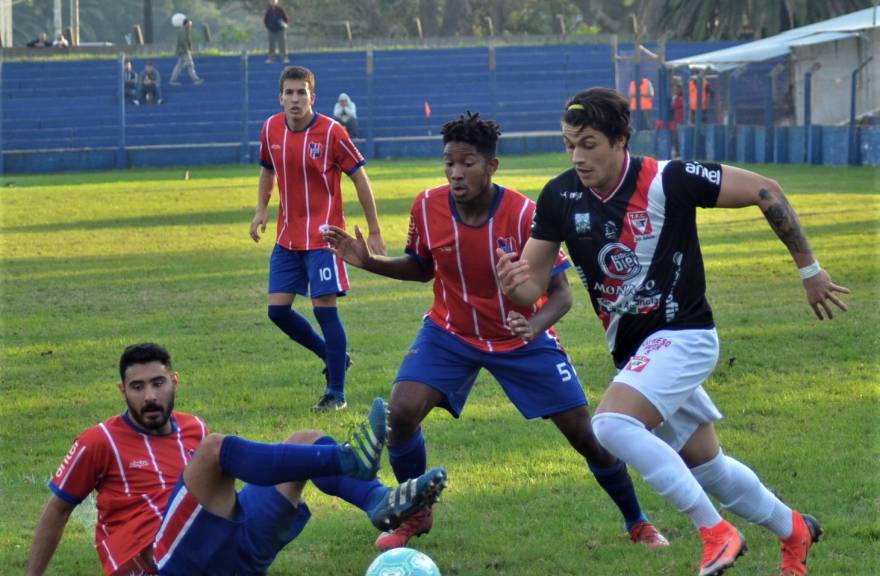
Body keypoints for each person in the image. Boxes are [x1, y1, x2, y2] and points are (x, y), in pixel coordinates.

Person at [496, 87, 850, 576]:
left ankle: (716, 532)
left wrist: (810, 271)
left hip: (685, 337)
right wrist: (514, 286)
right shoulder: (559, 196)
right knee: (712, 469)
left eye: (590, 143)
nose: (577, 156)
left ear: (621, 140)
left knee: (610, 425)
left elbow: (765, 190)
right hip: (635, 353)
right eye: (569, 144)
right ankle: (794, 530)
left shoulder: (669, 179)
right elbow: (533, 283)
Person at [323, 112, 667, 552]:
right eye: (448, 162)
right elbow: (422, 268)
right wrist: (368, 261)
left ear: (491, 166)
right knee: (401, 412)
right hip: (450, 332)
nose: (455, 173)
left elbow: (562, 295)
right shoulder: (427, 206)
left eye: (467, 162)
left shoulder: (525, 214)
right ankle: (416, 510)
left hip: (521, 340)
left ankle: (637, 522)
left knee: (587, 436)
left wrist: (534, 327)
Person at [25, 343, 447, 576]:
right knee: (216, 450)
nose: (149, 396)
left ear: (174, 382)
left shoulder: (193, 427)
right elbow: (58, 510)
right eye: (137, 387)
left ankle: (378, 500)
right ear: (122, 392)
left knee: (304, 439)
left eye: (157, 383)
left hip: (230, 554)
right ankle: (347, 459)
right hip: (158, 565)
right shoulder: (100, 441)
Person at [250, 66, 386, 412]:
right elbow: (268, 171)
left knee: (325, 312)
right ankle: (332, 355)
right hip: (287, 238)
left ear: (313, 96)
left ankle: (336, 393)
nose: (295, 99)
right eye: (289, 93)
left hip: (325, 239)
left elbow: (360, 179)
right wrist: (261, 210)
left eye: (302, 92)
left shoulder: (332, 132)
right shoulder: (270, 128)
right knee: (277, 311)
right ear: (280, 96)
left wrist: (374, 230)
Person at [169, 18, 203, 86]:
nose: (190, 25)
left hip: (182, 51)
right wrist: (187, 50)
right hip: (184, 51)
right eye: (189, 24)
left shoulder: (185, 31)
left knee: (179, 66)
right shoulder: (183, 31)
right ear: (186, 24)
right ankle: (196, 80)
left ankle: (173, 80)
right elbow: (183, 41)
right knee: (190, 65)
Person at [670, 81, 684, 158]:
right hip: (677, 120)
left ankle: (680, 152)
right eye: (675, 89)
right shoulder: (675, 98)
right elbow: (673, 106)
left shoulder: (683, 97)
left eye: (678, 89)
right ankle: (677, 152)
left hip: (682, 121)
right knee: (676, 138)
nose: (676, 90)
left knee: (680, 137)